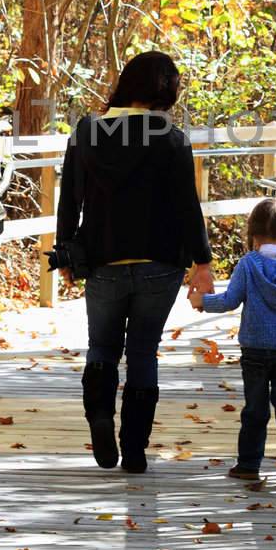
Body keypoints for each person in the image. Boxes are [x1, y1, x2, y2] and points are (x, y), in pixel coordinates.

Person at [56, 52, 214, 473]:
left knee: (102, 346)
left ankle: (100, 420)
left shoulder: (88, 132)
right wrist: (203, 262)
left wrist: (66, 250)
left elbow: (70, 198)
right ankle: (136, 449)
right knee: (143, 352)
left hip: (104, 260)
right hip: (160, 262)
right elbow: (187, 206)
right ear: (166, 91)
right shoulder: (172, 138)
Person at [191, 197, 276, 489]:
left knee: (255, 409)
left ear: (253, 232)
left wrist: (202, 301)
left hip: (255, 351)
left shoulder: (249, 265)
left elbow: (230, 300)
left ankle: (248, 464)